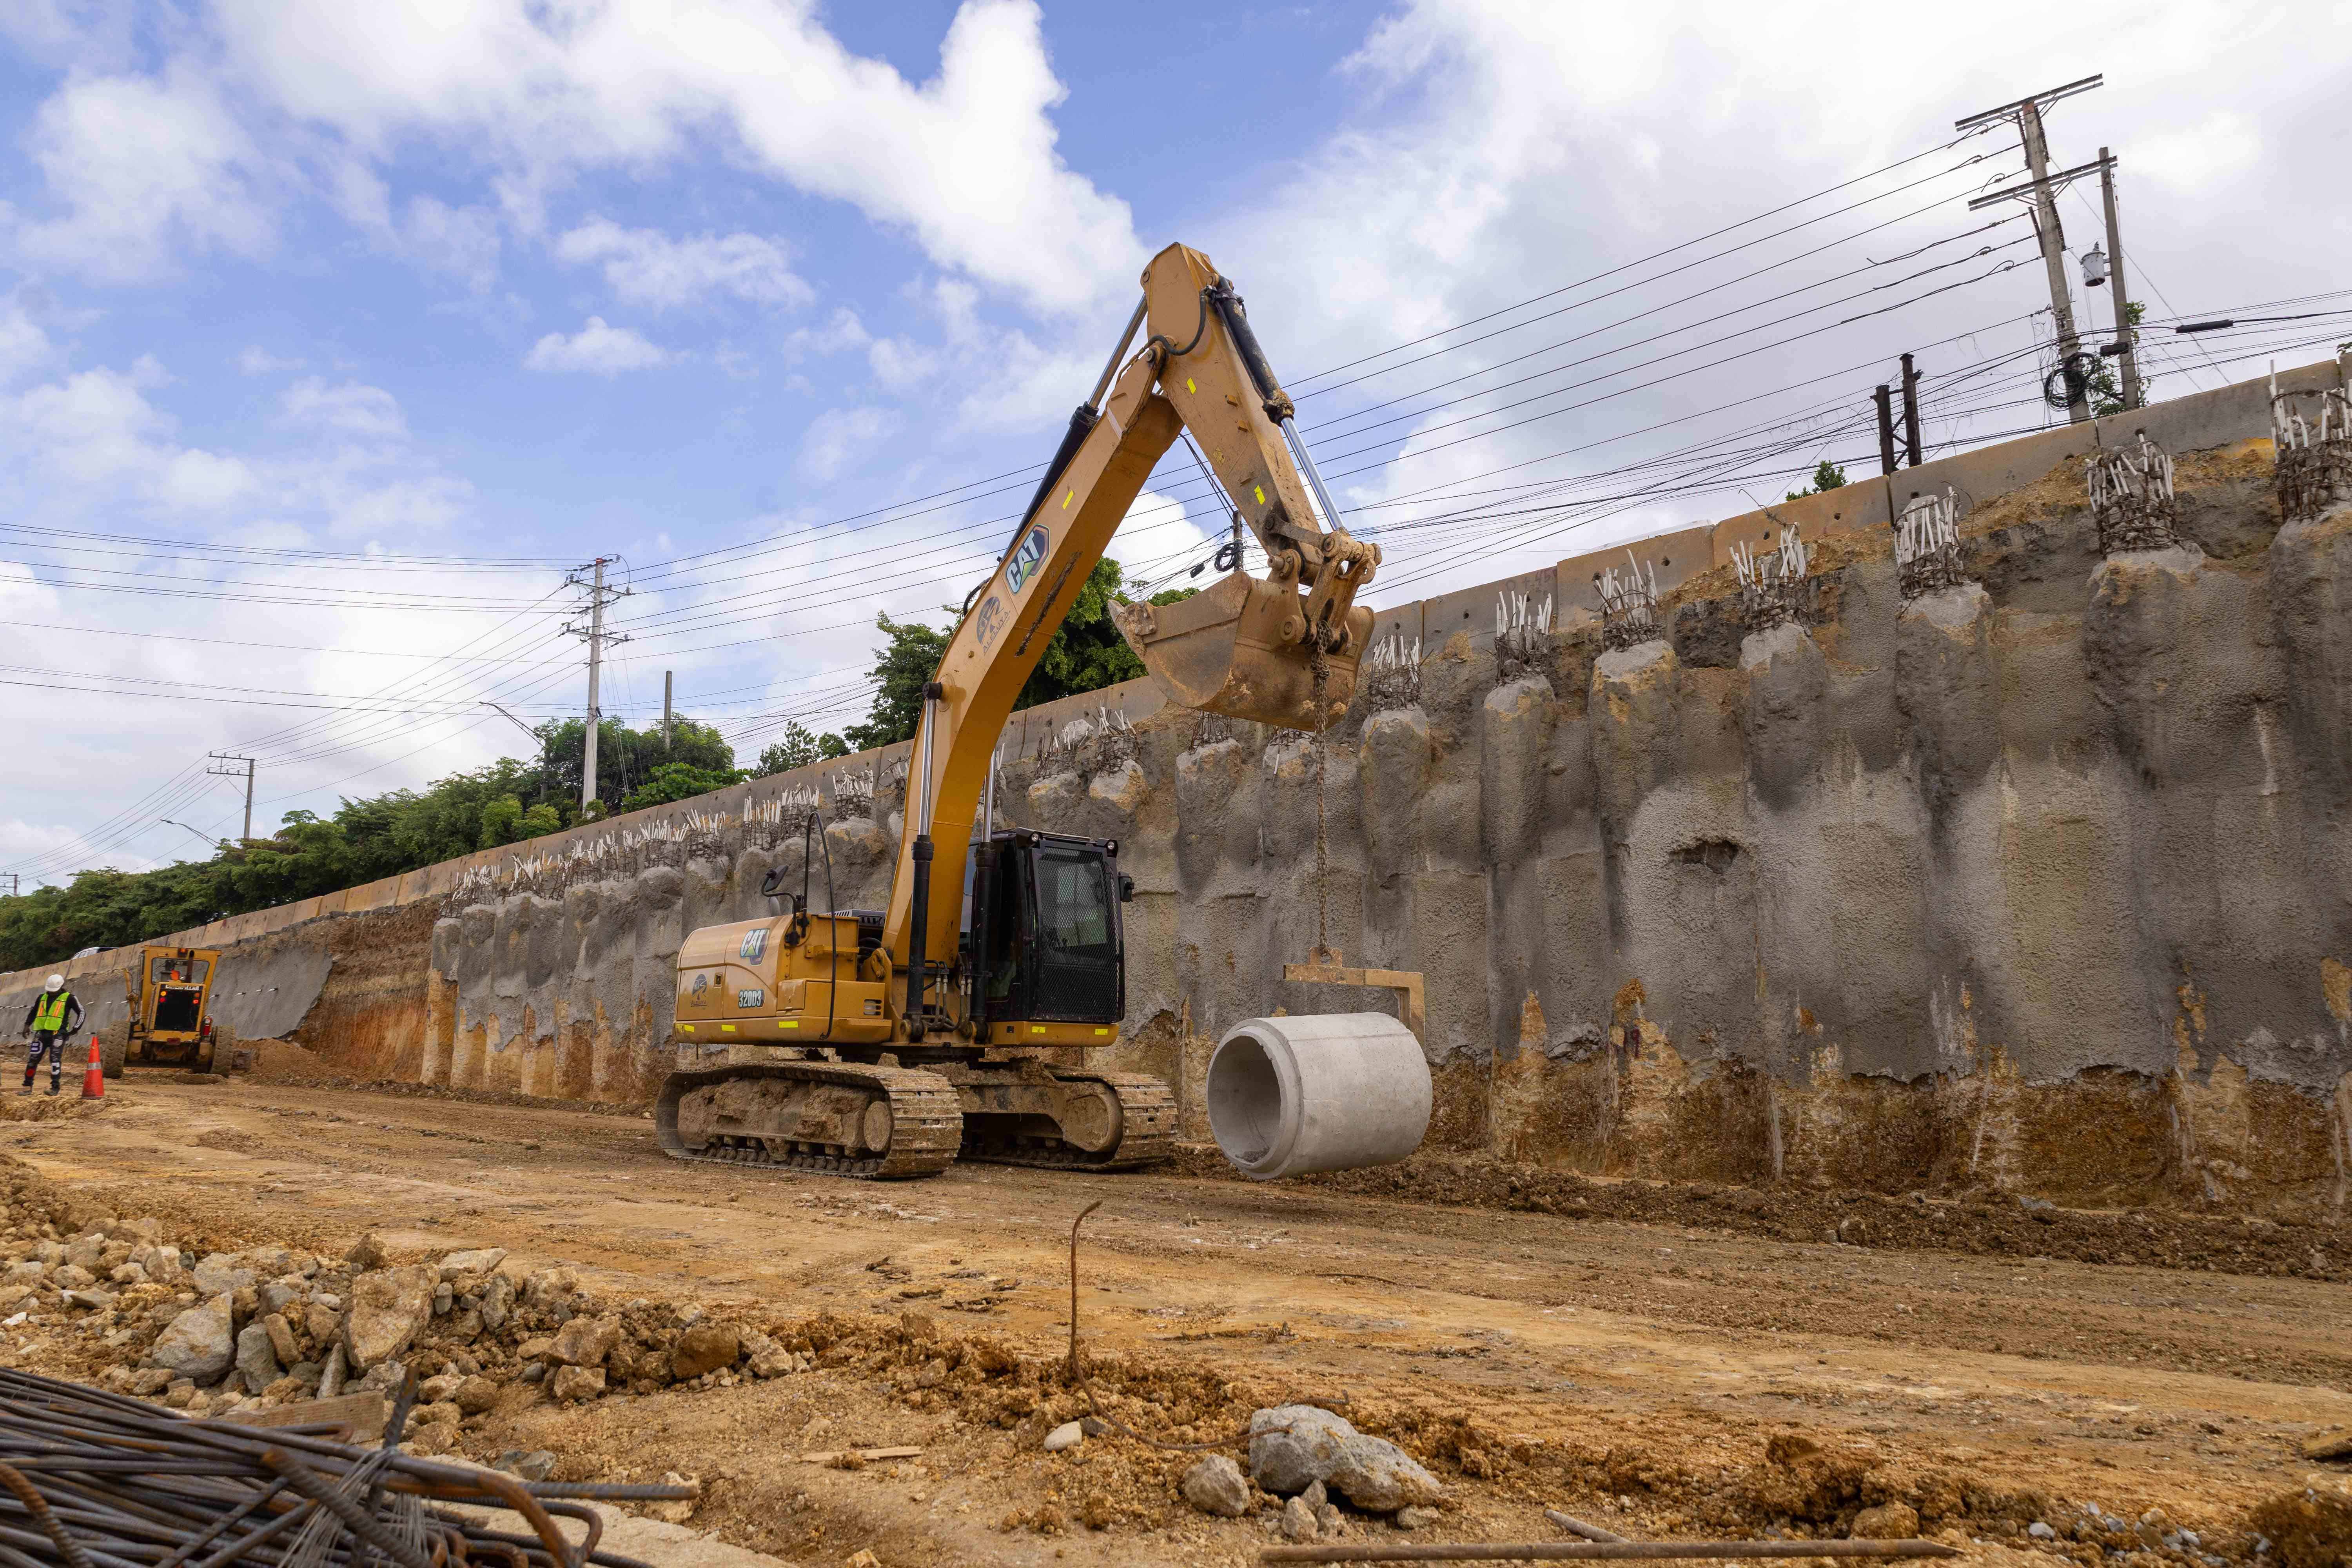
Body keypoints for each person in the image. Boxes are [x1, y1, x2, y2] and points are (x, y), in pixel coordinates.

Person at [18, 976, 82, 1097]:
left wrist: (75, 1029)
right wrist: (27, 1025)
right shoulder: (42, 998)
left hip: (57, 1034)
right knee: (33, 1060)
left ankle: (55, 1088)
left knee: (55, 1061)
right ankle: (27, 1087)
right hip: (41, 1034)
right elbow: (33, 1012)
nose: (51, 992)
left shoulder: (69, 998)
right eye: (49, 990)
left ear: (61, 987)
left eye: (54, 991)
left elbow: (82, 1012)